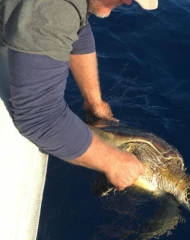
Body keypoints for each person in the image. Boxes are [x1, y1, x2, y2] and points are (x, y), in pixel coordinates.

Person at [0, 0, 158, 190]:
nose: (127, 2)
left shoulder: (70, 7)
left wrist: (94, 101)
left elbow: (78, 31)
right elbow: (38, 118)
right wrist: (113, 162)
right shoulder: (54, 8)